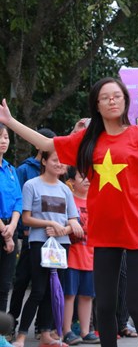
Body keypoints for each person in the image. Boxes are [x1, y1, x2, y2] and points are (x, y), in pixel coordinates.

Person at [0, 77, 138, 347]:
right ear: (97, 105)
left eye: (117, 96)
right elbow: (47, 144)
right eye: (105, 97)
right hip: (104, 231)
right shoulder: (88, 139)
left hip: (137, 228)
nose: (112, 101)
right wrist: (10, 122)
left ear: (125, 101)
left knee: (137, 304)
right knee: (105, 305)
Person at [15, 150, 83, 347]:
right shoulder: (31, 185)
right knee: (38, 290)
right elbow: (26, 218)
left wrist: (64, 229)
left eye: (63, 161)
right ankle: (21, 336)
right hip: (39, 244)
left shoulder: (65, 190)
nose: (60, 164)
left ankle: (46, 334)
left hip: (62, 246)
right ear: (44, 161)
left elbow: (73, 221)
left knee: (54, 291)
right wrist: (50, 224)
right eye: (55, 160)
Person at [9, 128, 56, 337]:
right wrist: (23, 230)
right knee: (21, 281)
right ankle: (11, 323)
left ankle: (41, 327)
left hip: (52, 240)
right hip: (29, 237)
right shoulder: (24, 170)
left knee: (46, 284)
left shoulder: (58, 173)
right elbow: (17, 202)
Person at [61, 167, 99, 345]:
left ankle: (85, 331)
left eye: (89, 176)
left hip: (91, 256)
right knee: (69, 294)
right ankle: (66, 330)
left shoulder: (96, 200)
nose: (87, 180)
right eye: (81, 176)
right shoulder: (68, 200)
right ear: (71, 181)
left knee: (87, 294)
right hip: (72, 255)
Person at [0, 124, 20, 317]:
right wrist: (6, 233)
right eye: (0, 137)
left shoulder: (11, 170)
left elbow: (18, 201)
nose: (3, 141)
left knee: (5, 283)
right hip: (4, 229)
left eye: (6, 137)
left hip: (9, 228)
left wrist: (12, 226)